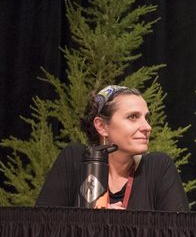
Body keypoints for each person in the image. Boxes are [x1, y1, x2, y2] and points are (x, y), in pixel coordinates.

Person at [36, 85, 188, 211]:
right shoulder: (75, 160)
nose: (147, 127)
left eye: (146, 118)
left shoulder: (158, 167)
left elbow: (179, 236)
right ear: (102, 126)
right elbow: (42, 228)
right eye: (133, 117)